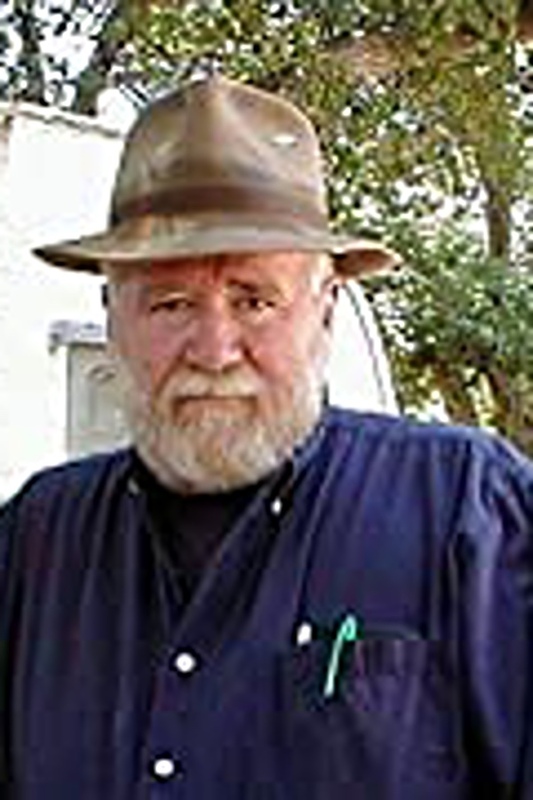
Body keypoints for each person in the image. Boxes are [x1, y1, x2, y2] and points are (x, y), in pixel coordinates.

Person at [1, 74, 532, 800]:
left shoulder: (471, 514)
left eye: (253, 300)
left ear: (325, 310)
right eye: (171, 304)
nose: (214, 350)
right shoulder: (36, 543)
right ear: (111, 316)